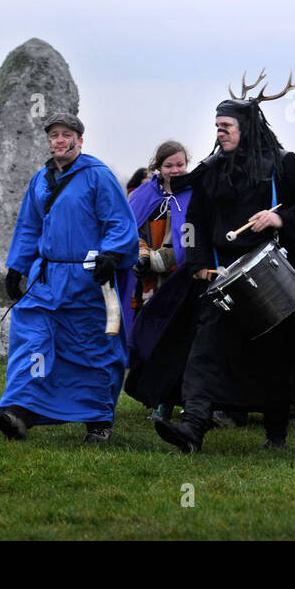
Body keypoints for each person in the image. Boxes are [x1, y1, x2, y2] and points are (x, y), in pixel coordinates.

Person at [153, 80, 295, 453]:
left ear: (246, 128)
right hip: (222, 281)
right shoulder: (212, 170)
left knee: (271, 360)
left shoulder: (283, 164)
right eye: (217, 127)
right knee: (204, 351)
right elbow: (198, 223)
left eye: (226, 127)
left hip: (271, 278)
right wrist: (201, 264)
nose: (219, 134)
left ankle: (276, 435)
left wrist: (279, 219)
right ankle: (193, 428)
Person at [0, 113, 139, 443]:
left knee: (93, 348)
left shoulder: (98, 176)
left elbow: (118, 221)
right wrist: (17, 266)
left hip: (88, 278)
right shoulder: (40, 180)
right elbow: (29, 226)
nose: (59, 140)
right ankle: (19, 411)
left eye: (66, 134)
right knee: (33, 340)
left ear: (79, 140)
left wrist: (112, 254)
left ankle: (99, 420)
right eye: (54, 135)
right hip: (45, 277)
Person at [121, 140, 194, 421]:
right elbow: (130, 230)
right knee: (150, 338)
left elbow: (188, 241)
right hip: (149, 284)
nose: (175, 170)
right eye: (169, 166)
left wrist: (156, 260)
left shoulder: (194, 194)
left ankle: (184, 402)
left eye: (180, 165)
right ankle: (158, 400)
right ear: (158, 167)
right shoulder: (143, 195)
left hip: (182, 281)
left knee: (180, 342)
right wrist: (141, 257)